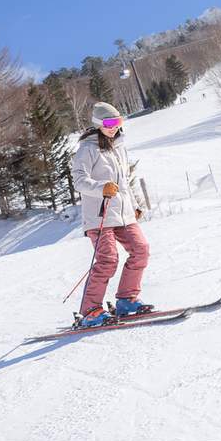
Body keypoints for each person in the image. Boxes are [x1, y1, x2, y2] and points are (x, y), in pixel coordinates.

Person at [70, 102, 154, 328]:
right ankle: (90, 310)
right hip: (99, 216)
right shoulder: (87, 150)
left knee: (141, 250)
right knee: (108, 260)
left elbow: (125, 182)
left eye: (118, 122)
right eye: (108, 123)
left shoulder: (119, 147)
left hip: (123, 213)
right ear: (98, 124)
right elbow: (79, 180)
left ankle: (126, 300)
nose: (113, 127)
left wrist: (134, 205)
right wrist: (101, 188)